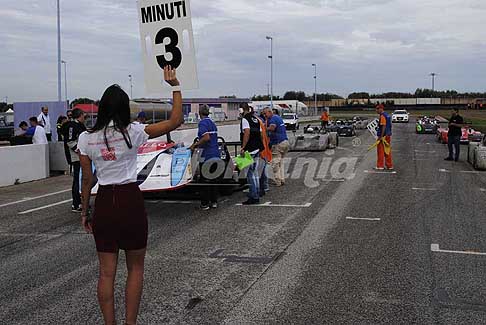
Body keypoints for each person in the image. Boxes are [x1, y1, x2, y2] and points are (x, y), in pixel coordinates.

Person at [78, 67, 183, 325]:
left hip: (103, 200)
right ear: (125, 108)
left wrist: (84, 211)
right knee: (135, 268)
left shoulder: (86, 138)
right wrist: (176, 86)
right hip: (129, 201)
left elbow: (87, 180)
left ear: (102, 108)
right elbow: (175, 121)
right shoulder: (134, 132)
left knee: (105, 274)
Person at [189, 104, 221, 210]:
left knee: (205, 180)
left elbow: (206, 137)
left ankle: (205, 204)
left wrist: (195, 145)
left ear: (199, 112)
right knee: (214, 179)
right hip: (216, 154)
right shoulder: (212, 122)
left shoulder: (203, 123)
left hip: (207, 155)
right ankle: (214, 201)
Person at [240, 103, 265, 204]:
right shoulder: (255, 119)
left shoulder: (245, 119)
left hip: (249, 149)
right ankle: (257, 192)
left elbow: (247, 132)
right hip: (257, 148)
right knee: (255, 172)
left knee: (249, 173)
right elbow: (261, 134)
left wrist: (243, 147)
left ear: (242, 110)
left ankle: (254, 196)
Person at [65, 109, 87, 212]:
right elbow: (70, 141)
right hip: (77, 157)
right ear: (80, 116)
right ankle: (76, 203)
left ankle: (82, 202)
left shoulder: (81, 126)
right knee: (77, 179)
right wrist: (78, 151)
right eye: (83, 116)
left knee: (83, 179)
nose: (84, 118)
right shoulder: (72, 126)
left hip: (83, 156)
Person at [263, 107, 289, 186]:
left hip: (278, 143)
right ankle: (282, 178)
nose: (264, 115)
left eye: (265, 113)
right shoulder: (278, 118)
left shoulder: (272, 119)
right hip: (285, 142)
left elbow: (272, 127)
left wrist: (264, 128)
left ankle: (278, 181)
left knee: (275, 163)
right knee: (281, 162)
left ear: (270, 112)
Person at [375, 104, 393, 170]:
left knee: (380, 151)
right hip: (388, 135)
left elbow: (383, 126)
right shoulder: (387, 115)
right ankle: (389, 165)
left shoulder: (382, 116)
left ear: (381, 109)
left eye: (377, 109)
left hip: (383, 137)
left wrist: (381, 136)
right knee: (387, 151)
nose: (376, 110)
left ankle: (380, 166)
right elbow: (390, 125)